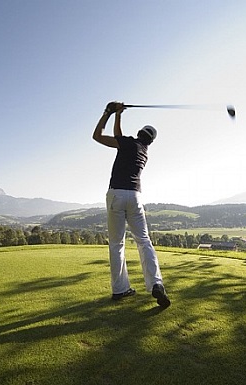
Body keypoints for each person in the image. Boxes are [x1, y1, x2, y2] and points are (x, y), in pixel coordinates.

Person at [92, 101, 171, 308]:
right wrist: (119, 115)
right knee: (143, 240)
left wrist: (109, 112)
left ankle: (120, 289)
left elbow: (98, 136)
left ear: (138, 133)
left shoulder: (127, 143)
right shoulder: (143, 151)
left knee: (117, 244)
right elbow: (119, 135)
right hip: (135, 197)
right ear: (150, 141)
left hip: (116, 194)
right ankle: (156, 282)